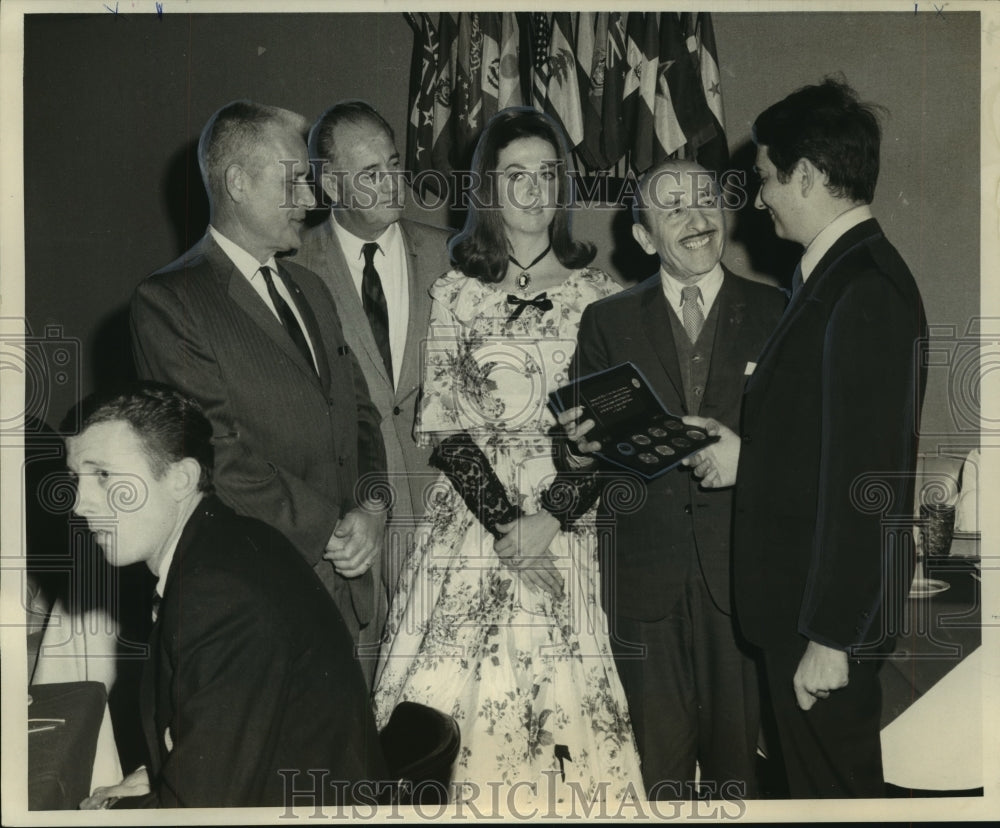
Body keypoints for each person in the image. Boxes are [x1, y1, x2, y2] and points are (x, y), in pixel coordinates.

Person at [372, 108, 643, 805]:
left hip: (568, 523)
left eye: (547, 174)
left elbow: (613, 441)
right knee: (441, 725)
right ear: (488, 188)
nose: (533, 191)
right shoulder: (457, 294)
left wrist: (547, 523)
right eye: (514, 175)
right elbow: (446, 430)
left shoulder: (603, 298)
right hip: (472, 523)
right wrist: (507, 529)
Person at [681, 79, 928, 797]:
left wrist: (833, 635)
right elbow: (822, 447)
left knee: (836, 798)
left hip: (822, 623)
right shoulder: (834, 277)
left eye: (765, 180)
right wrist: (746, 460)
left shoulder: (863, 290)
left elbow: (867, 479)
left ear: (810, 176)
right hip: (804, 610)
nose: (759, 200)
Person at [130, 101, 389, 683]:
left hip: (348, 588)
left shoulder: (312, 289)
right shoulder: (171, 302)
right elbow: (213, 454)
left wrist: (372, 507)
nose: (310, 200)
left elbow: (362, 417)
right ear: (238, 183)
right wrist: (332, 529)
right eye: (295, 180)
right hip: (262, 596)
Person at [557, 160, 785, 799]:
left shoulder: (776, 309)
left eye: (706, 200)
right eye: (674, 206)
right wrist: (576, 452)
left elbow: (799, 443)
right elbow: (593, 454)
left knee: (739, 771)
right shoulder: (607, 321)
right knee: (654, 772)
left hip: (740, 577)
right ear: (644, 237)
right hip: (642, 580)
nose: (696, 216)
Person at [71, 383, 386, 808]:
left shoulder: (219, 594)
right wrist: (163, 773)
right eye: (76, 478)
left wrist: (115, 812)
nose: (79, 503)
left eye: (103, 475)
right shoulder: (230, 541)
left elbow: (200, 810)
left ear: (181, 478)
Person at [289, 100, 452, 599]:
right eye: (371, 172)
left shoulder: (454, 255)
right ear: (333, 185)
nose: (393, 182)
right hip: (353, 528)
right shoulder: (293, 265)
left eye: (395, 164)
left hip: (448, 504)